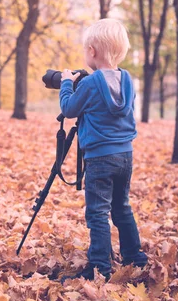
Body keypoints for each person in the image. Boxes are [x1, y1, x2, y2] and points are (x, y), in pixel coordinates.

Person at [59, 18, 148, 282]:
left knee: (97, 211)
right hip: (125, 155)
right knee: (121, 207)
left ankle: (99, 267)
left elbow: (69, 110)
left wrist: (66, 82)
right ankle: (135, 257)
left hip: (99, 158)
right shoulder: (128, 80)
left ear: (93, 51)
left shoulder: (89, 83)